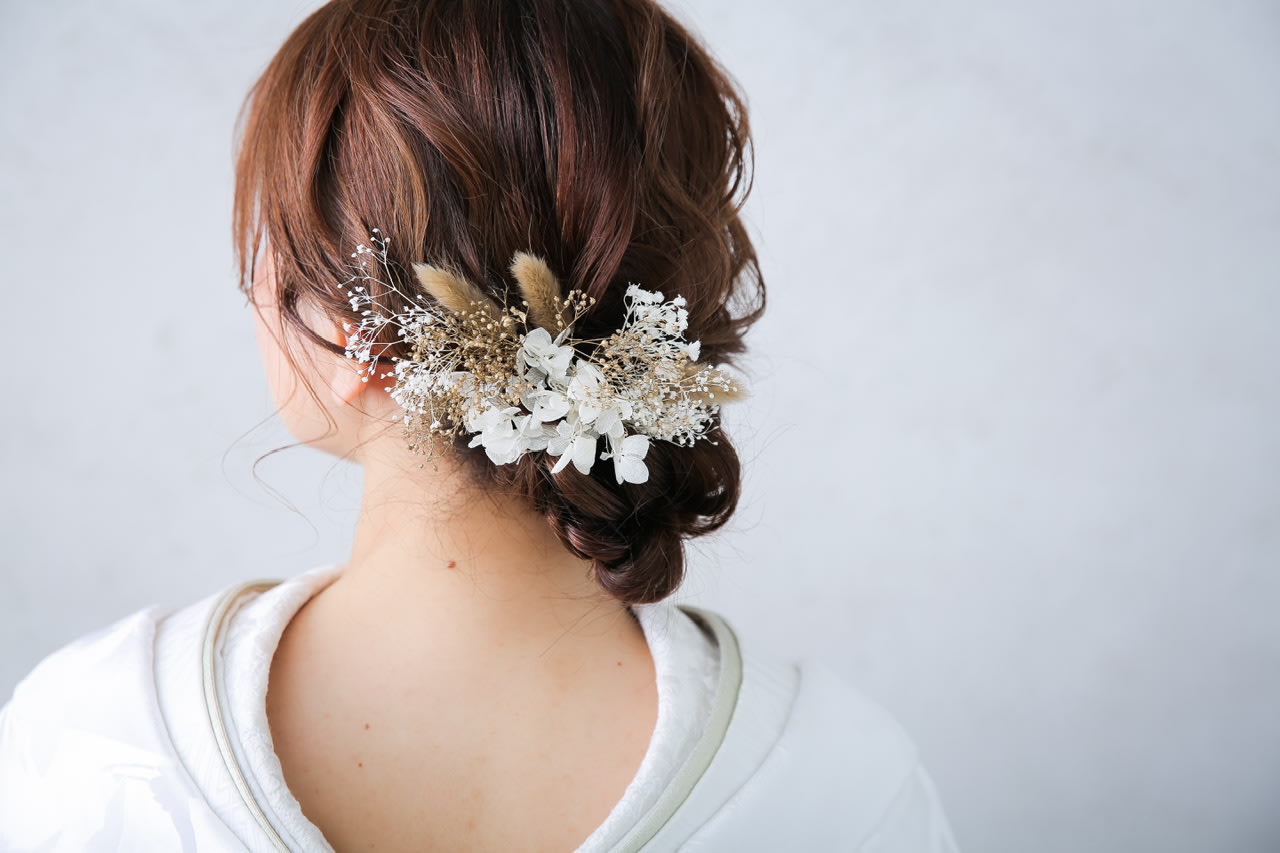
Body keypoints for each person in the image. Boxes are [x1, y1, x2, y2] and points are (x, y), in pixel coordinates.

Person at [0, 0, 959, 849]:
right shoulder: (840, 779)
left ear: (357, 334)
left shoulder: (97, 736)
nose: (251, 287)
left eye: (270, 249)